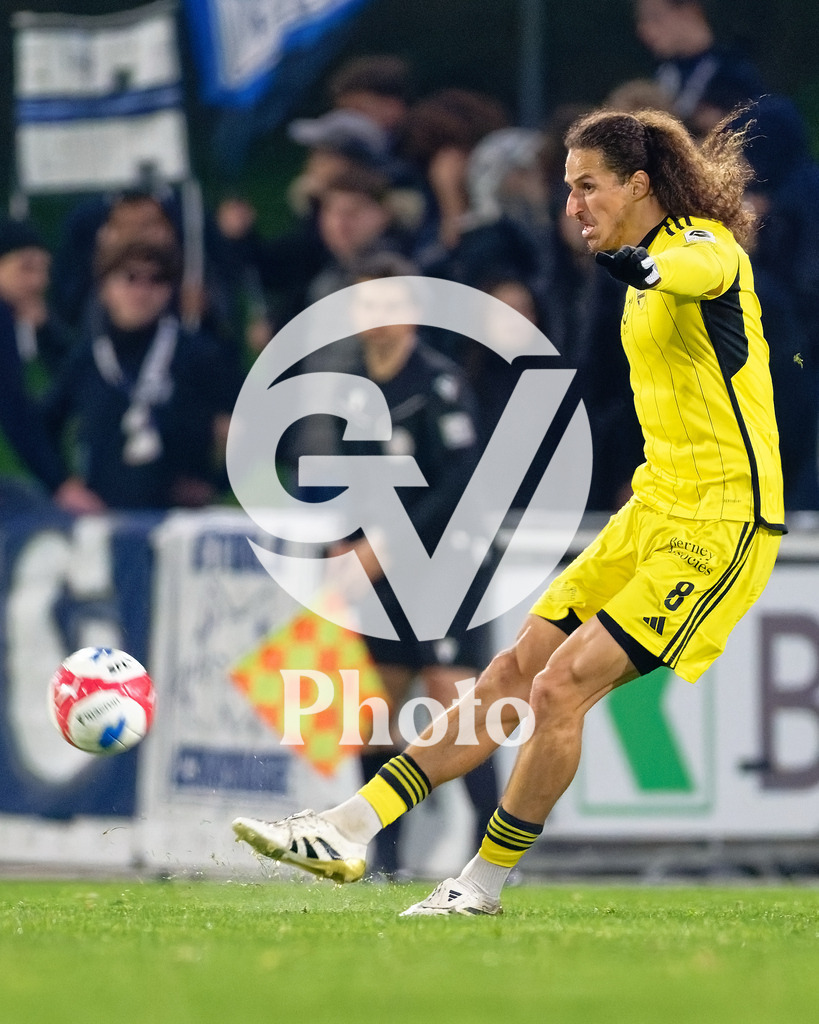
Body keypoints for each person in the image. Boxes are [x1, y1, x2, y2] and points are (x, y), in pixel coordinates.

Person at [232, 106, 785, 915]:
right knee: (511, 672)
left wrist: (648, 269)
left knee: (559, 688)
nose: (572, 206)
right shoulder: (631, 277)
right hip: (656, 510)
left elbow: (699, 266)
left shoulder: (699, 250)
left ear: (638, 186)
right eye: (565, 189)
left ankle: (479, 885)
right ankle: (349, 825)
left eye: (586, 187)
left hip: (723, 524)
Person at [43, 238, 237, 510]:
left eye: (156, 280)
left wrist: (216, 484)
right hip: (104, 514)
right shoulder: (87, 358)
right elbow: (44, 423)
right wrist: (63, 484)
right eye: (130, 278)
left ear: (170, 290)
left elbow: (250, 430)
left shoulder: (199, 354)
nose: (142, 291)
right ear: (104, 289)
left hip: (181, 517)